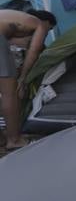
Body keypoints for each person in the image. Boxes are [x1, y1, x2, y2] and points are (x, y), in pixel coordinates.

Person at [0, 10, 55, 150]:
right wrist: (23, 78)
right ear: (47, 22)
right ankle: (14, 140)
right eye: (50, 29)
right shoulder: (39, 24)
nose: (47, 33)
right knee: (10, 93)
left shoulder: (14, 19)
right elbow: (34, 50)